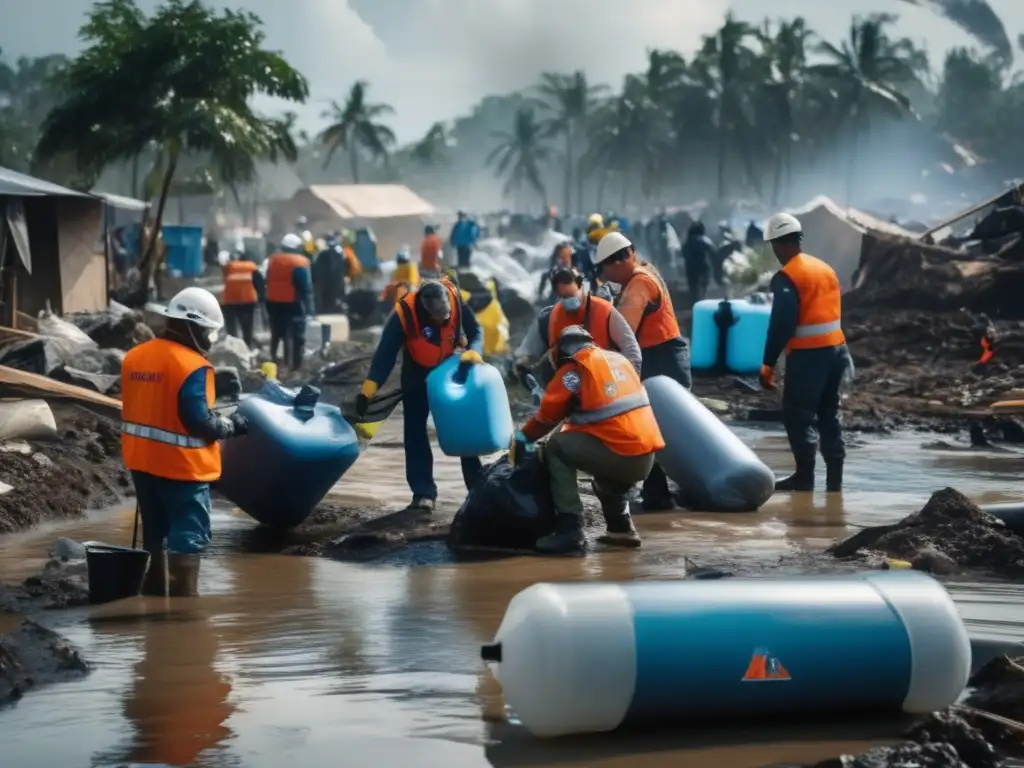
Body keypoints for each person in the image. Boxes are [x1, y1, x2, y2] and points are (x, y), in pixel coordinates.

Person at [121, 287, 249, 597]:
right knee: (187, 537)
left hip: (142, 463)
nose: (209, 339)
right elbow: (198, 421)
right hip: (182, 469)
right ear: (191, 326)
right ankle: (183, 615)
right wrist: (231, 425)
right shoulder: (191, 365)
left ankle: (153, 601)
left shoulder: (135, 357)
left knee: (155, 536)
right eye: (207, 331)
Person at [512, 325, 664, 554]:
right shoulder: (618, 360)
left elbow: (547, 417)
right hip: (645, 458)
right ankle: (621, 530)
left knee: (555, 447)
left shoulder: (576, 369)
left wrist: (524, 437)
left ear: (563, 351)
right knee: (604, 463)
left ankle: (570, 529)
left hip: (620, 454)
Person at [357, 279, 484, 512]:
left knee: (461, 427)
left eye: (445, 316)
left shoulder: (455, 298)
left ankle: (476, 488)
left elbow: (476, 330)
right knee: (415, 430)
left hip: (450, 369)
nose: (443, 320)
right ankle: (423, 492)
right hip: (416, 372)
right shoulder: (403, 314)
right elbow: (385, 355)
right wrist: (369, 388)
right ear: (424, 313)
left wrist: (474, 351)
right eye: (437, 318)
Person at [594, 231, 691, 511]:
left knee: (654, 428)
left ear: (618, 262)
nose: (605, 275)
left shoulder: (638, 286)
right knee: (658, 429)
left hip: (660, 361)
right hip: (665, 356)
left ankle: (659, 496)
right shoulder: (644, 272)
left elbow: (623, 332)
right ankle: (658, 491)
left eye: (605, 269)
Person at [759, 212, 852, 493]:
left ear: (778, 244)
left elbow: (782, 324)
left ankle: (804, 477)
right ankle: (834, 483)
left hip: (810, 357)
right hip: (838, 352)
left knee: (799, 415)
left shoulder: (788, 276)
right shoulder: (825, 268)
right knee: (829, 414)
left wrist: (768, 364)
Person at [515, 266, 641, 384]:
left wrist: (630, 380)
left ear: (581, 287)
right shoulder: (555, 316)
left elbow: (630, 349)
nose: (568, 300)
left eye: (571, 295)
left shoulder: (604, 310)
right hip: (574, 382)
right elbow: (555, 355)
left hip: (608, 377)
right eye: (563, 297)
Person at [265, 233, 313, 372]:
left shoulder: (273, 260)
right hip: (293, 304)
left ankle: (274, 362)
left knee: (276, 334)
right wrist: (310, 309)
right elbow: (305, 287)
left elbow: (267, 279)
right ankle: (295, 365)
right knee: (296, 336)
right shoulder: (299, 262)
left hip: (273, 304)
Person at [220, 252, 262, 347]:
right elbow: (259, 283)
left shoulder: (229, 266)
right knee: (247, 327)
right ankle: (247, 345)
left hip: (230, 300)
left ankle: (233, 347)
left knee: (231, 327)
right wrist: (260, 299)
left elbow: (225, 278)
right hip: (248, 300)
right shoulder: (252, 266)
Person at [311, 234, 348, 315]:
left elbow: (315, 265)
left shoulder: (320, 252)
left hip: (325, 278)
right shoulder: (339, 251)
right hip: (334, 278)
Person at [681, 221, 714, 303]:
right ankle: (703, 300)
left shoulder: (687, 242)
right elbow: (712, 251)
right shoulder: (705, 240)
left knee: (694, 289)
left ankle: (695, 303)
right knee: (704, 288)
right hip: (703, 266)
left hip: (690, 267)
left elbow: (683, 253)